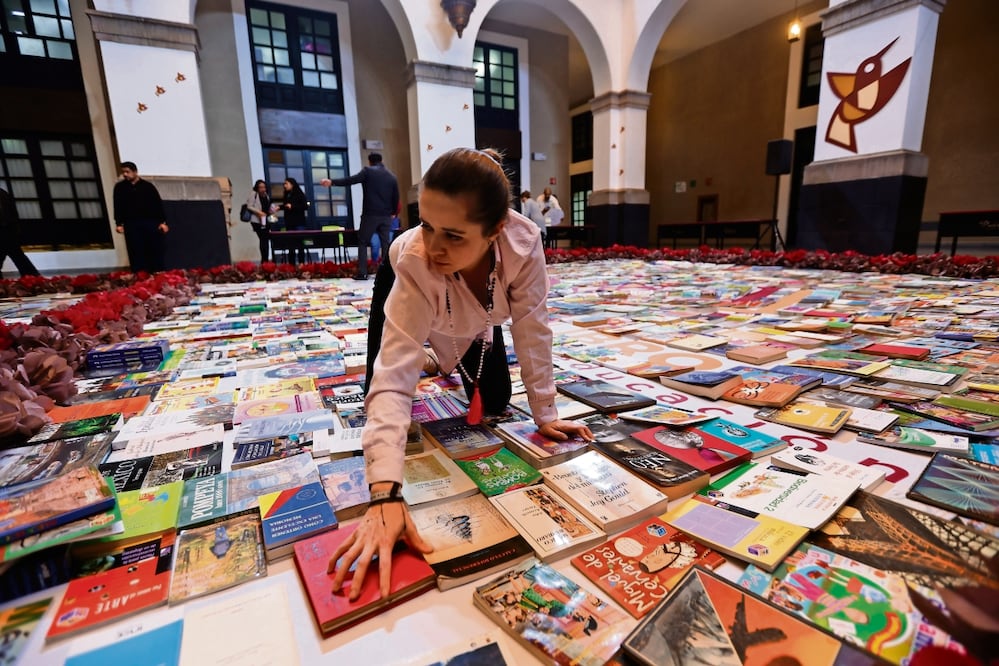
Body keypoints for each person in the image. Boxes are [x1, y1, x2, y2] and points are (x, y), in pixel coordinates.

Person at [327, 147, 593, 601]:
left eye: (453, 235)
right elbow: (392, 378)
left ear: (496, 230)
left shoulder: (523, 245)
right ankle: (424, 351)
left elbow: (533, 329)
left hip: (478, 316)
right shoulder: (415, 258)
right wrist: (385, 493)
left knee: (495, 402)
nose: (434, 247)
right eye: (426, 224)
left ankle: (434, 359)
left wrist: (546, 412)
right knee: (379, 381)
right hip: (404, 286)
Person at [321, 153, 399, 280]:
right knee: (386, 244)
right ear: (382, 160)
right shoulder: (391, 176)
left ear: (369, 161)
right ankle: (388, 275)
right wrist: (393, 212)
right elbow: (396, 196)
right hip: (386, 216)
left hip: (370, 214)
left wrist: (332, 182)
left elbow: (351, 180)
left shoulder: (367, 172)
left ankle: (363, 273)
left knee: (363, 241)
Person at [113, 162, 168, 273]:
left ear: (135, 172)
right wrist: (118, 223)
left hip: (150, 222)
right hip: (131, 223)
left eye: (127, 172)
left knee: (153, 248)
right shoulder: (120, 188)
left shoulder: (147, 186)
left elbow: (157, 204)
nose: (125, 174)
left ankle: (156, 272)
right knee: (135, 249)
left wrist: (163, 222)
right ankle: (139, 274)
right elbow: (117, 206)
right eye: (123, 172)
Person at [0, 187, 41, 278]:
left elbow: (10, 213)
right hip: (8, 231)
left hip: (6, 231)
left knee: (18, 257)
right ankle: (33, 278)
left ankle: (33, 278)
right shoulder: (3, 193)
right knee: (19, 257)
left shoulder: (3, 194)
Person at [280, 177, 309, 265]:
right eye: (284, 184)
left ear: (292, 184)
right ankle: (291, 264)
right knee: (291, 244)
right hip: (289, 222)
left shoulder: (299, 194)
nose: (285, 185)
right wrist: (280, 207)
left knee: (300, 244)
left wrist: (292, 206)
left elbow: (305, 206)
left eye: (286, 183)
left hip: (299, 222)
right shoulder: (286, 194)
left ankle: (301, 263)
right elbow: (286, 205)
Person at [244, 179, 271, 263]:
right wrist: (259, 212)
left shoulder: (266, 195)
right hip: (256, 220)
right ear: (257, 188)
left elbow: (267, 207)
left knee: (265, 240)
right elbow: (249, 206)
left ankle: (265, 260)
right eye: (260, 187)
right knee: (263, 239)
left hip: (265, 220)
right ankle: (264, 260)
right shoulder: (254, 194)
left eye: (264, 187)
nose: (263, 189)